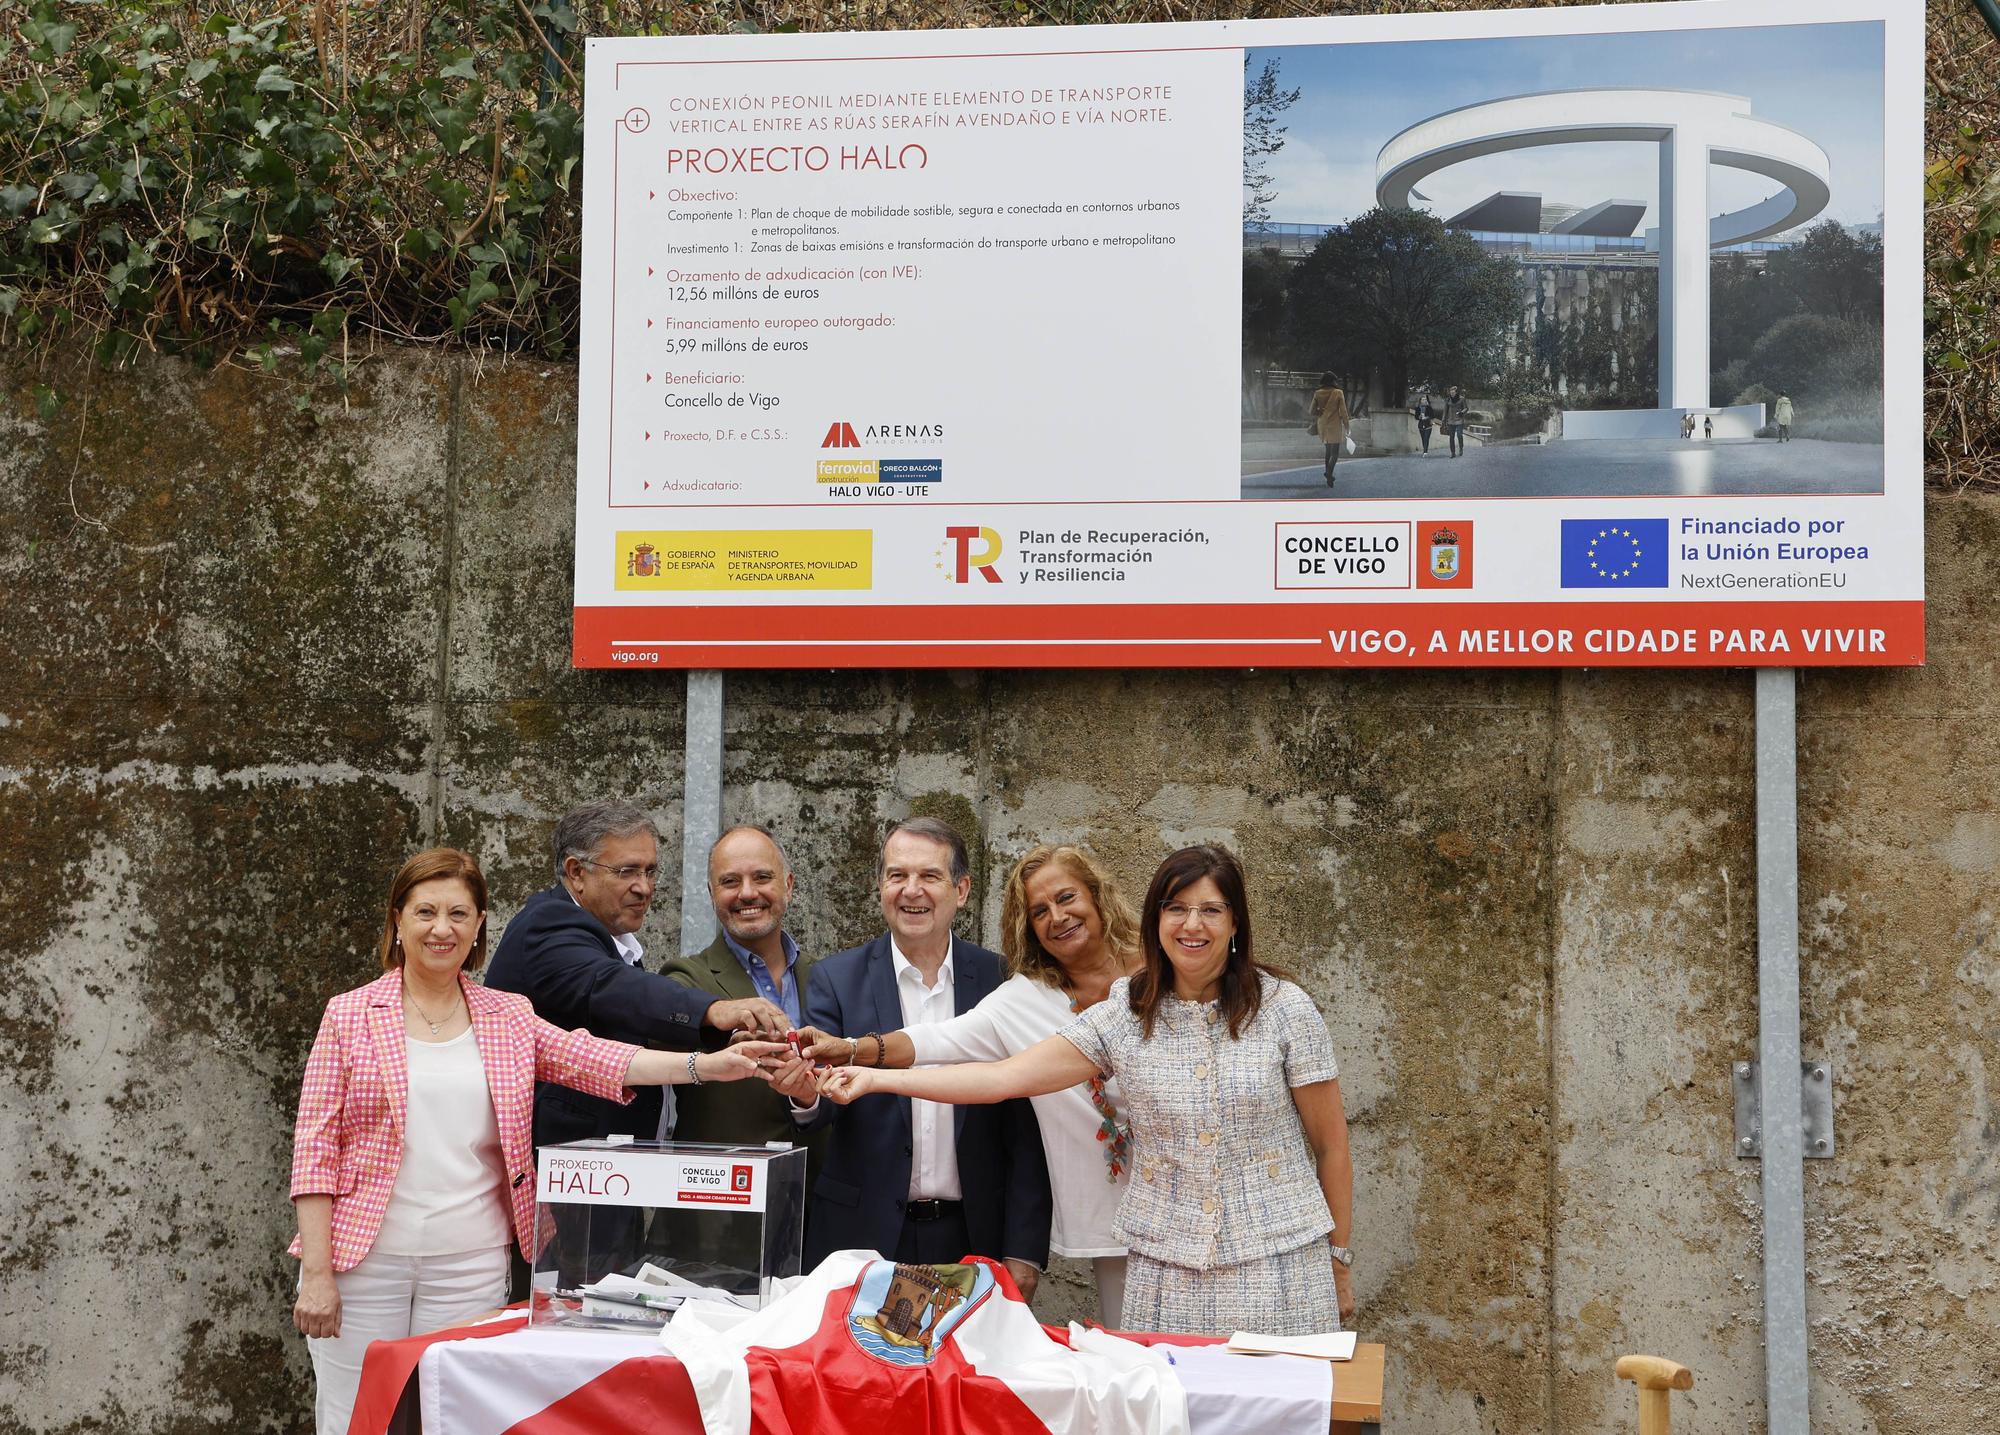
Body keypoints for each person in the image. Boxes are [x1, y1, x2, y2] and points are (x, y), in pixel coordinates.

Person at [289, 847, 761, 1435]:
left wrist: (704, 1066)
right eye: (426, 913)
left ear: (480, 923)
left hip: (471, 1264)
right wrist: (317, 1274)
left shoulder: (506, 1015)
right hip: (364, 1265)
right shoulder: (350, 1015)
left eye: (459, 914)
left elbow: (596, 1058)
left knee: (447, 1419)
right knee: (354, 1419)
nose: (442, 929)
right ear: (397, 920)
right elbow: (314, 1151)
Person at [815, 844, 1355, 1338]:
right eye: (1176, 910)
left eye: (1210, 910)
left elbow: (1332, 1146)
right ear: (1156, 921)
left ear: (1235, 921)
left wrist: (1338, 1259)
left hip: (1283, 1263)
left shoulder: (1287, 1010)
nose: (1192, 925)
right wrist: (873, 1075)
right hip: (1164, 1265)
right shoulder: (1124, 1013)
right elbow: (999, 1077)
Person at [793, 843, 1142, 1321]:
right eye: (1039, 911)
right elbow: (949, 1049)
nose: (1057, 917)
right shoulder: (1022, 998)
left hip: (1200, 1198)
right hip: (1115, 1225)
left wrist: (1022, 1246)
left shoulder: (1163, 969)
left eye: (1067, 898)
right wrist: (856, 1055)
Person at [793, 817, 1052, 1299]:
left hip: (973, 1237)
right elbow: (821, 1101)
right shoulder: (835, 978)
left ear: (962, 889)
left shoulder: (1001, 982)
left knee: (969, 1373)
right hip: (860, 1236)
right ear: (880, 886)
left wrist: (1025, 1249)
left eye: (929, 876)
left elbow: (1027, 1129)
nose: (911, 891)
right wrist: (805, 1093)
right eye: (897, 875)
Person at [484, 799, 788, 1151]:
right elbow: (613, 989)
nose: (644, 888)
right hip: (562, 1173)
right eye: (626, 871)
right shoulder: (547, 924)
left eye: (649, 871)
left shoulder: (608, 938)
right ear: (576, 872)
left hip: (608, 1170)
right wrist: (715, 1011)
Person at [661, 824, 824, 1150]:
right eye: (730, 881)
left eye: (762, 877)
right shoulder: (685, 978)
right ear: (711, 894)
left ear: (788, 886)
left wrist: (809, 1102)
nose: (747, 893)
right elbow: (663, 1036)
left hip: (816, 1193)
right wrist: (731, 1035)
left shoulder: (828, 979)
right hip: (719, 1194)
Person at [1308, 372, 1350, 486]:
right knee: (1335, 453)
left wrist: (1319, 411)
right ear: (1332, 381)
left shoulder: (1317, 393)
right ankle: (1329, 473)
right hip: (1334, 425)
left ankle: (1329, 478)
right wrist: (1347, 426)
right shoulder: (1338, 393)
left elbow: (1311, 411)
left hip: (1322, 425)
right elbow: (1344, 412)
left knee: (1328, 451)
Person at [1443, 384, 1469, 458]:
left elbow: (1466, 408)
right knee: (1451, 437)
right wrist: (1443, 421)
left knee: (1459, 435)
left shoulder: (1462, 399)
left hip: (1459, 420)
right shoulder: (1448, 400)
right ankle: (1453, 453)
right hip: (1450, 421)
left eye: (1453, 392)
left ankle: (1461, 448)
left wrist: (1461, 412)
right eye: (1451, 392)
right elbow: (1445, 411)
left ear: (1456, 392)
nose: (1452, 394)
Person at [1411, 391, 1436, 456]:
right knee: (1423, 438)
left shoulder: (1429, 407)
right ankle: (1425, 450)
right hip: (1421, 425)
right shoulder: (1418, 408)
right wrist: (1419, 417)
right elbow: (1416, 417)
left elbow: (1432, 416)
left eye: (1425, 399)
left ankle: (1425, 452)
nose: (1424, 400)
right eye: (1423, 399)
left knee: (1426, 438)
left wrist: (1426, 417)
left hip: (1428, 425)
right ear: (1420, 401)